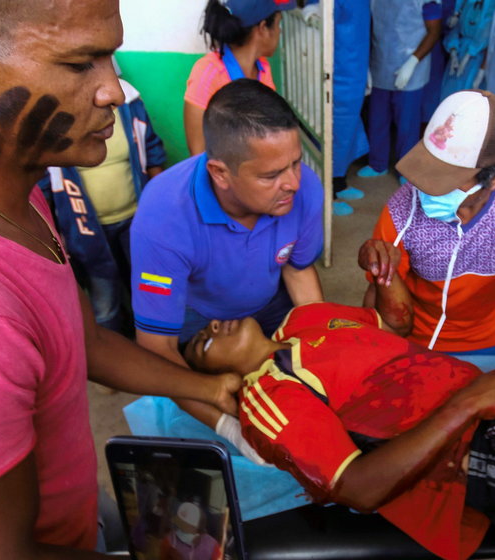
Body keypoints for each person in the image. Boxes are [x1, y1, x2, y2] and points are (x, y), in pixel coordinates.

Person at [0, 1, 243, 558]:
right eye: (79, 63)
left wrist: (209, 390)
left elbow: (78, 341)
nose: (113, 89)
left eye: (111, 55)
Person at [183, 301, 495, 560]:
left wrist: (385, 276)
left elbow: (394, 325)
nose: (211, 327)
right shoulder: (269, 397)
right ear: (220, 377)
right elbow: (358, 488)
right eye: (203, 346)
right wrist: (466, 404)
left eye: (205, 324)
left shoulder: (303, 319)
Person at [131, 79, 323, 443]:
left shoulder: (304, 188)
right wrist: (226, 427)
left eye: (296, 163)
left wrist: (324, 351)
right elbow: (158, 348)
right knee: (208, 406)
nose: (294, 183)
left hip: (272, 300)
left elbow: (298, 272)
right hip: (198, 314)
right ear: (220, 173)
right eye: (271, 175)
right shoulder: (164, 216)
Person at [361, 90, 495, 355]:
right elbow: (384, 310)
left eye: (448, 181)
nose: (427, 188)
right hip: (418, 342)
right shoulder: (402, 209)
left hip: (493, 342)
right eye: (428, 169)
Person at [39, 76, 166, 336]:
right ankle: (115, 361)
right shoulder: (54, 114)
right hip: (84, 229)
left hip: (137, 221)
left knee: (149, 289)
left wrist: (161, 212)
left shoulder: (129, 103)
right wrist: (53, 232)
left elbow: (152, 150)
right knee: (104, 300)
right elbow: (42, 185)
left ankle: (152, 351)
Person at [183, 0, 295, 156]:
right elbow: (198, 152)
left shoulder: (263, 69)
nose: (279, 31)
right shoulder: (207, 73)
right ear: (262, 28)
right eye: (278, 24)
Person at [357, 0, 442, 181]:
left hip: (410, 69)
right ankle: (377, 164)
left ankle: (406, 169)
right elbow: (370, 27)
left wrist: (412, 62)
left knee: (407, 124)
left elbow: (434, 32)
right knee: (377, 120)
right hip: (380, 64)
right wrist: (366, 65)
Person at [302, 0, 371, 216]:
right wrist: (312, 11)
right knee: (333, 133)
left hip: (355, 66)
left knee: (348, 130)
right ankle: (326, 192)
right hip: (336, 70)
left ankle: (339, 182)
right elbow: (314, 12)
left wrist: (366, 68)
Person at [439, 0, 495, 99]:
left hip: (477, 58)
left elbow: (487, 33)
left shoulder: (493, 4)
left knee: (468, 95)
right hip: (459, 50)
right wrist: (453, 50)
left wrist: (469, 54)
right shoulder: (468, 3)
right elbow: (456, 28)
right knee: (449, 94)